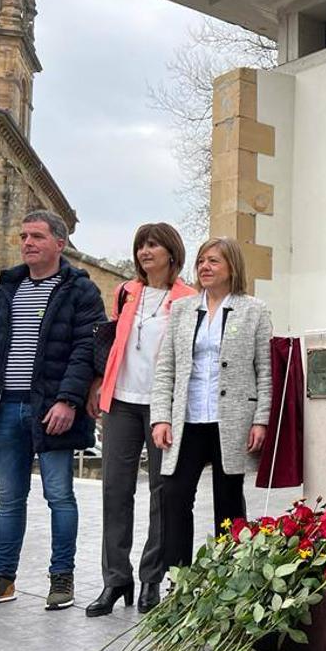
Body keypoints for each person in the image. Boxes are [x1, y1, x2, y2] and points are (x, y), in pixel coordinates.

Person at [0, 209, 105, 611]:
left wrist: (68, 400)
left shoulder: (80, 290)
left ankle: (62, 579)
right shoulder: (6, 288)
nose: (27, 243)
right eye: (23, 236)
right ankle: (2, 579)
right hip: (4, 408)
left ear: (59, 242)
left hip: (52, 410)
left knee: (59, 495)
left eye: (36, 236)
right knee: (9, 498)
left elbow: (85, 349)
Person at [85, 223, 195, 617]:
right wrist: (98, 383)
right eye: (140, 246)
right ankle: (116, 579)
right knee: (115, 490)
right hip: (121, 402)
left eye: (153, 245)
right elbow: (113, 342)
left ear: (171, 252)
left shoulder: (188, 298)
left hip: (162, 406)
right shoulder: (126, 292)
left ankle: (152, 577)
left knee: (162, 493)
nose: (145, 252)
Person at [150, 237, 273, 573]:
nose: (204, 267)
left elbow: (266, 370)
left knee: (229, 501)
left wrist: (260, 420)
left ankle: (229, 578)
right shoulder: (182, 310)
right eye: (201, 261)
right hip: (188, 419)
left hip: (232, 420)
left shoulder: (255, 311)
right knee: (174, 496)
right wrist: (161, 417)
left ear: (232, 267)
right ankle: (179, 578)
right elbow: (166, 368)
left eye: (213, 261)